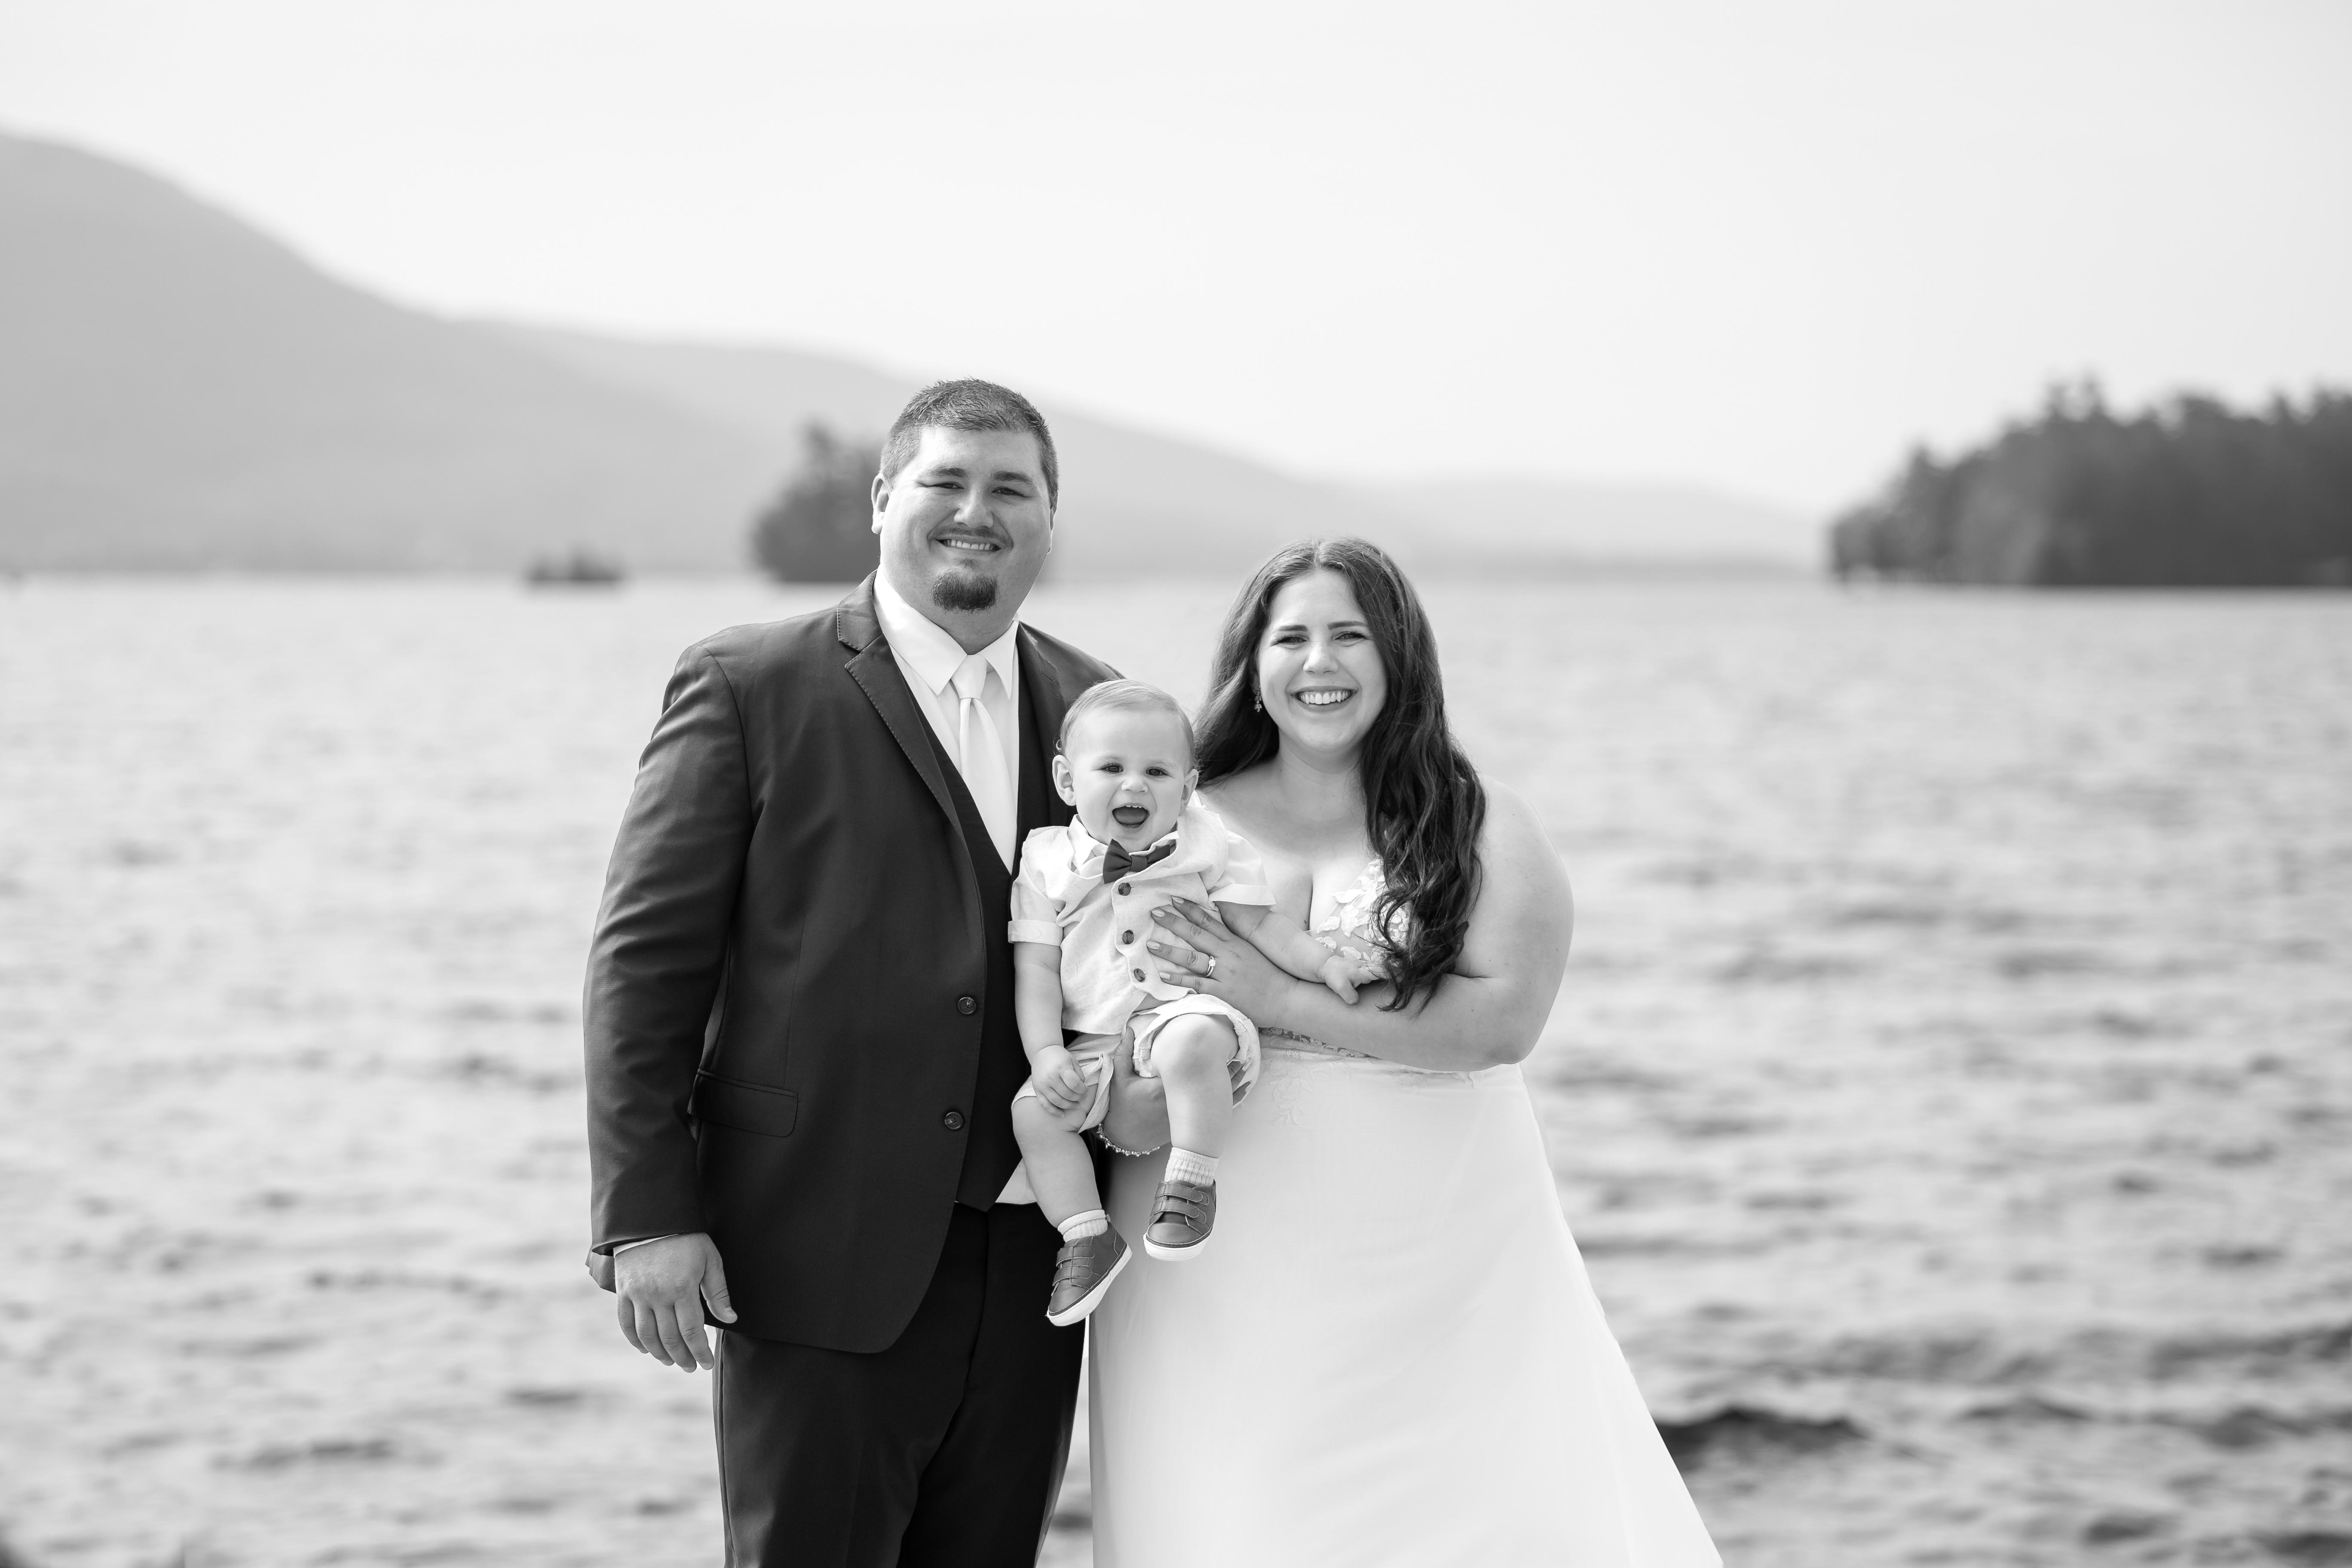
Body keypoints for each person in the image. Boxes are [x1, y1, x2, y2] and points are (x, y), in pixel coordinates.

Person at [1085, 538, 1722, 1566]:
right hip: (1222, 1265)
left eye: (1350, 635)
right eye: (1290, 638)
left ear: (1399, 655)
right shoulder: (1174, 825)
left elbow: (1503, 1024)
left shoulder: (1478, 821)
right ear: (1251, 662)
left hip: (1440, 1255)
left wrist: (1274, 997)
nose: (1319, 663)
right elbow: (1105, 1041)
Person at [580, 380, 1119, 1567]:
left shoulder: (1099, 710)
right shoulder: (748, 685)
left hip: (1037, 1276)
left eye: (1011, 489)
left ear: (1048, 519)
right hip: (814, 1255)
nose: (976, 512)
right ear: (882, 500)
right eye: (945, 482)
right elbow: (643, 966)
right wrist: (648, 1216)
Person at [1005, 679, 1376, 1326]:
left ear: (1186, 788)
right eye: (1111, 768)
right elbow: (1035, 966)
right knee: (1034, 1114)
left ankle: (1192, 1180)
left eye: (1157, 772)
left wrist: (1323, 963)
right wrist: (1044, 1054)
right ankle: (1087, 1235)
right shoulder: (1045, 861)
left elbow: (1261, 925)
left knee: (1189, 1044)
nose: (1135, 785)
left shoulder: (1209, 845)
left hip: (1190, 1010)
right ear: (1067, 780)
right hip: (1095, 1038)